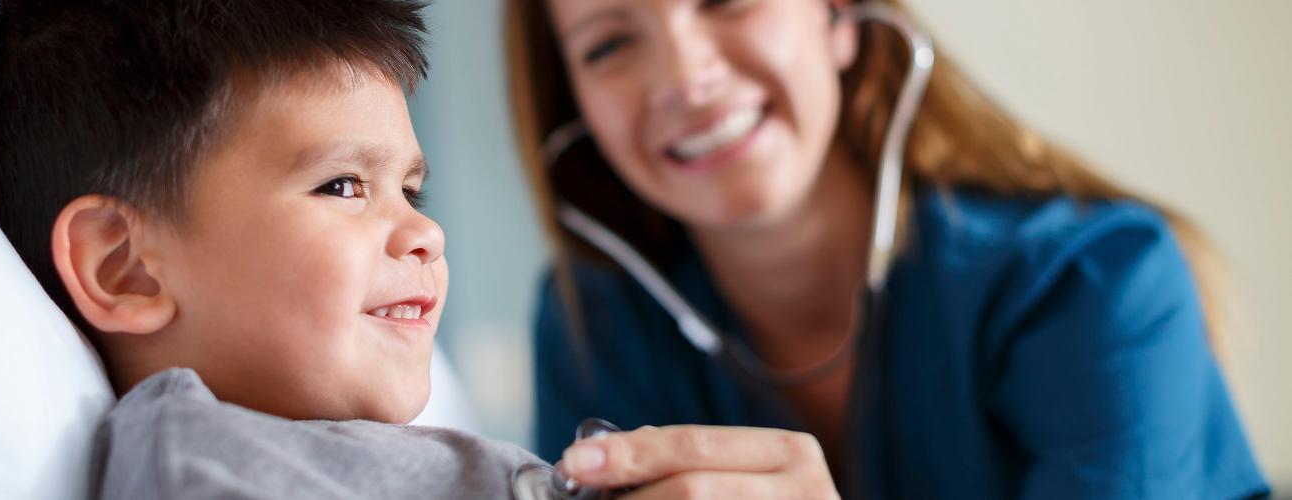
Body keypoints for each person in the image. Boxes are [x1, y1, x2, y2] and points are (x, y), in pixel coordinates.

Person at [505, 0, 1269, 497]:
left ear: (837, 17)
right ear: (578, 111)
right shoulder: (591, 320)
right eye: (607, 45)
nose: (683, 76)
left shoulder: (1097, 279)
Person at [0, 1, 542, 498]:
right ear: (125, 269)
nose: (425, 234)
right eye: (344, 186)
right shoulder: (202, 460)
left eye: (410, 192)